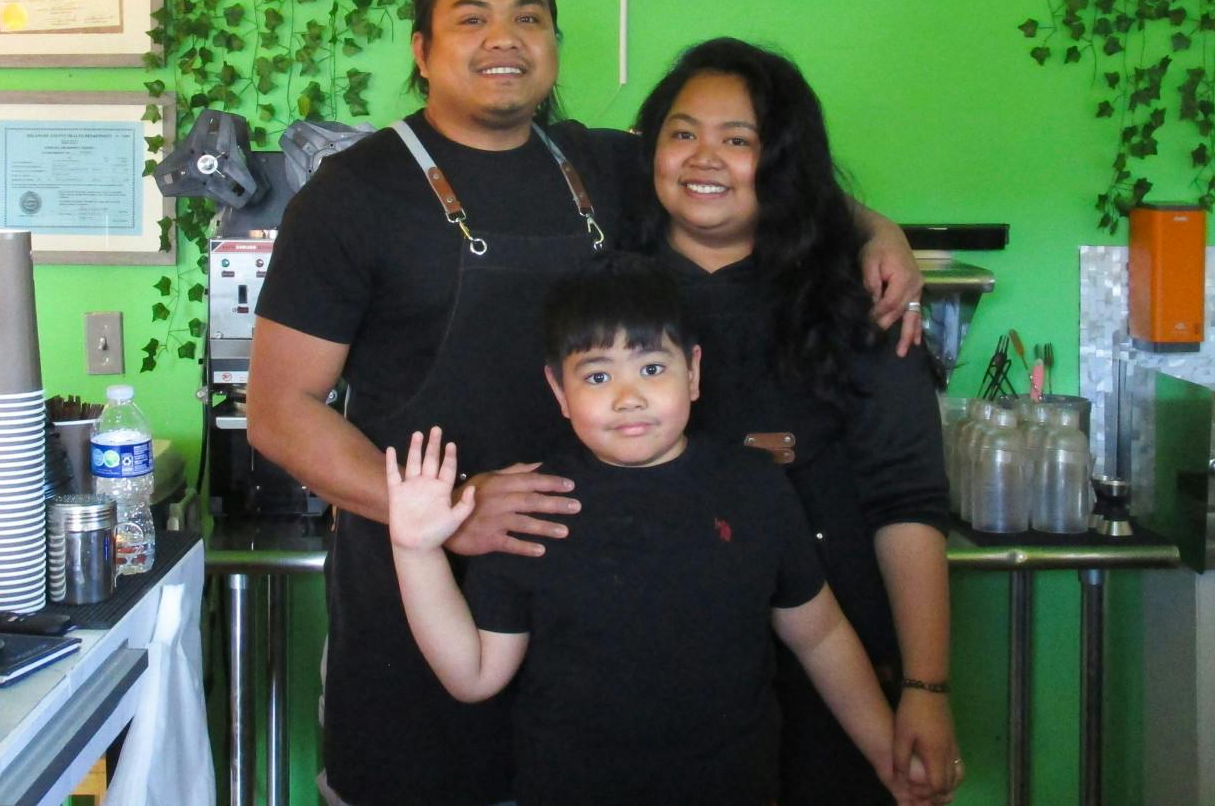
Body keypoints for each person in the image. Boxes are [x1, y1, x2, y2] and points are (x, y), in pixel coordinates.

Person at [248, 0, 925, 806]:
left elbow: (752, 176)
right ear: (421, 50)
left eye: (529, 17)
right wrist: (441, 514)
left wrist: (878, 230)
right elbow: (278, 410)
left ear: (555, 44)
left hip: (595, 640)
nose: (506, 37)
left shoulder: (600, 166)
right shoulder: (351, 195)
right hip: (421, 620)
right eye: (472, 18)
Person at [384, 254, 927, 806]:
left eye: (651, 368)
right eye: (598, 375)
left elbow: (820, 636)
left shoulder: (755, 489)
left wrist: (888, 754)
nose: (628, 397)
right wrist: (416, 550)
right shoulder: (530, 506)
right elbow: (472, 676)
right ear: (558, 391)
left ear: (692, 373)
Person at [632, 37, 965, 805]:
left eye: (738, 140)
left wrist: (927, 688)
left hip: (838, 687)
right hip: (654, 682)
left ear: (781, 161)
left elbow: (907, 501)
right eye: (682, 134)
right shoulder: (608, 297)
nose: (703, 158)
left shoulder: (859, 304)